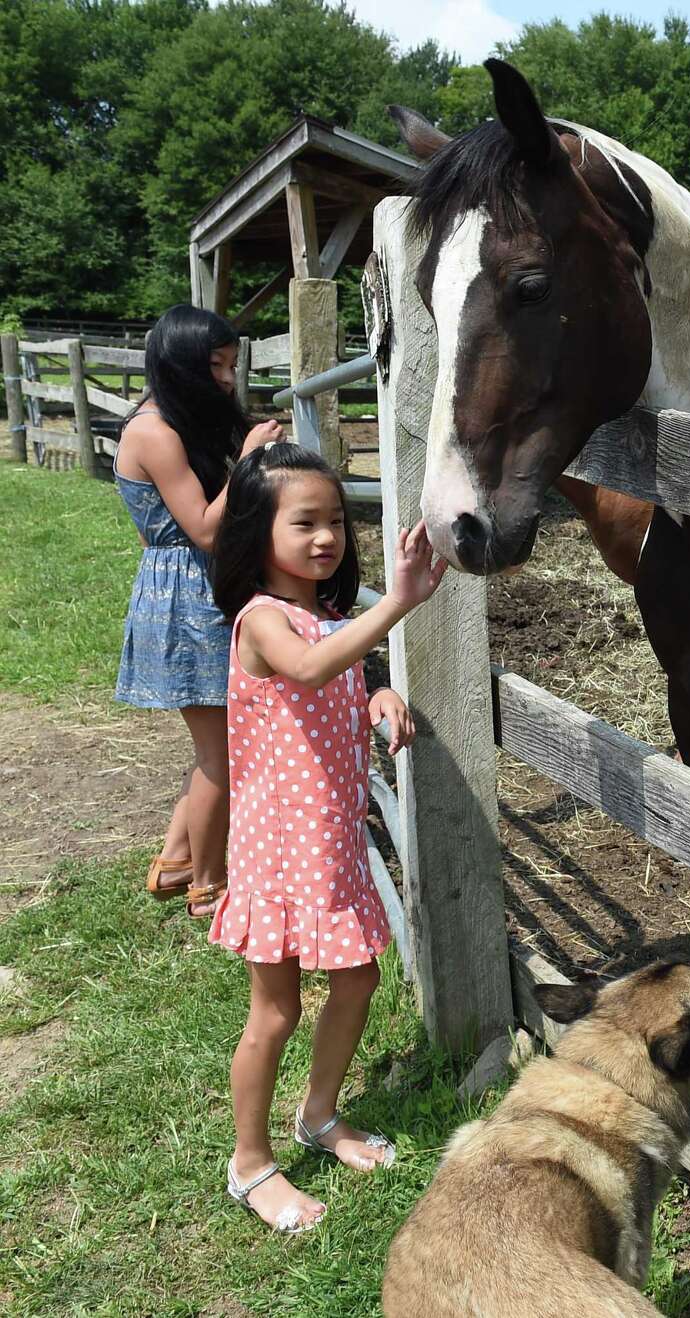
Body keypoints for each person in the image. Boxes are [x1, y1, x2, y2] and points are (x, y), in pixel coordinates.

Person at [207, 441, 447, 1233]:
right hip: (279, 850)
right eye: (304, 521)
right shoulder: (263, 620)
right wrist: (400, 603)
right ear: (255, 530)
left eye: (336, 521)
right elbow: (305, 670)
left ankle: (317, 1114)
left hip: (330, 840)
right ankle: (250, 1163)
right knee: (274, 1011)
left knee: (357, 981)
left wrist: (376, 695)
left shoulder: (325, 618)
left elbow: (336, 673)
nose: (326, 537)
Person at [114, 304, 282, 917]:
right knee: (223, 754)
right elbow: (206, 531)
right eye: (216, 366)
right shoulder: (153, 432)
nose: (228, 379)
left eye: (233, 364)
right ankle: (210, 886)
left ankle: (177, 862)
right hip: (189, 597)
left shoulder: (176, 423)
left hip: (196, 591)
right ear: (182, 365)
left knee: (219, 746)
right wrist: (248, 463)